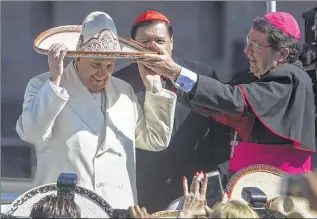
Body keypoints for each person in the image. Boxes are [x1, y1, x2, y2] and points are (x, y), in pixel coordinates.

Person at [15, 11, 177, 209]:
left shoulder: (124, 90)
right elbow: (32, 133)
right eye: (96, 64)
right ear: (78, 58)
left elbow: (156, 140)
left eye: (110, 65)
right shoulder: (43, 85)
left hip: (117, 209)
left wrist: (154, 90)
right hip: (64, 210)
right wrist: (54, 84)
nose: (103, 73)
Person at [137, 11, 316, 176]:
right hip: (248, 176)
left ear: (282, 53)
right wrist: (169, 80)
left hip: (278, 182)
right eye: (249, 42)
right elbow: (218, 102)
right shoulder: (252, 75)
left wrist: (176, 72)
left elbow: (235, 100)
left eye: (257, 45)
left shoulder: (289, 77)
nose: (247, 51)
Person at [115, 10, 231, 211]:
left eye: (160, 40)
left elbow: (220, 130)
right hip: (142, 192)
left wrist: (217, 178)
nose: (153, 47)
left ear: (171, 42)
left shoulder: (201, 76)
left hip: (193, 189)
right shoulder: (119, 83)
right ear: (131, 44)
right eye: (144, 42)